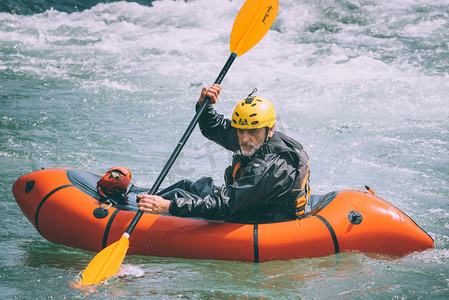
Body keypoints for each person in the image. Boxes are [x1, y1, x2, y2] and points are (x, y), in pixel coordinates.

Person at [137, 85, 310, 223]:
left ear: (270, 130)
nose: (244, 138)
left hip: (262, 218)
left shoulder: (270, 168)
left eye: (252, 132)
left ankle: (148, 214)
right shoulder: (256, 138)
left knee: (179, 198)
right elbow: (217, 129)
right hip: (246, 201)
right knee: (185, 186)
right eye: (240, 131)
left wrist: (169, 206)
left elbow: (224, 205)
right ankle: (143, 205)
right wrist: (205, 106)